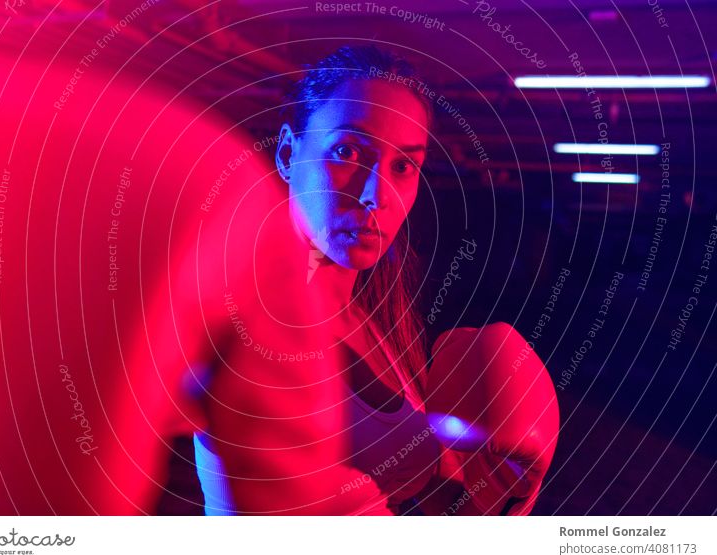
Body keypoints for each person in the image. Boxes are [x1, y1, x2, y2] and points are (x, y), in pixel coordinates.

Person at [180, 44, 560, 515]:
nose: (375, 195)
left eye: (403, 166)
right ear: (286, 152)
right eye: (347, 151)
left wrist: (496, 492)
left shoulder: (377, 323)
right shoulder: (237, 322)